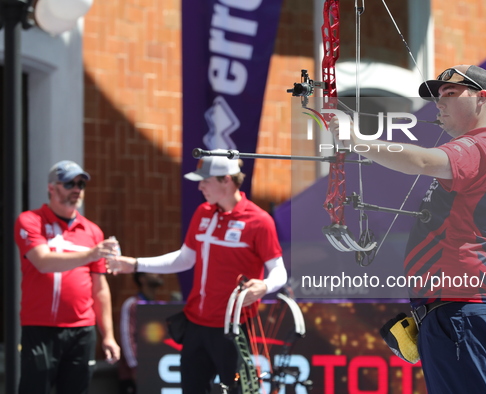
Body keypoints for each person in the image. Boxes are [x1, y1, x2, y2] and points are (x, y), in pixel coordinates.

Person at [331, 65, 486, 393]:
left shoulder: (475, 148)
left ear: (481, 98)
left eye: (451, 94)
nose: (439, 103)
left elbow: (424, 162)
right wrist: (465, 114)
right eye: (438, 96)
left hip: (457, 310)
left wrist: (356, 141)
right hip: (478, 306)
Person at [107, 152, 288, 393]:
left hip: (234, 328)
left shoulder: (259, 221)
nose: (200, 186)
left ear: (227, 180)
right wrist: (136, 264)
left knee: (238, 391)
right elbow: (185, 258)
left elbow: (279, 271)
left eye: (206, 180)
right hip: (195, 325)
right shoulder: (203, 212)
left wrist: (264, 286)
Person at [14, 160, 121, 394]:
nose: (77, 189)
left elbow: (100, 288)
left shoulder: (93, 231)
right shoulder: (30, 221)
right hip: (40, 328)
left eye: (81, 184)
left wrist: (108, 336)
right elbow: (42, 262)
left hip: (81, 330)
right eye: (69, 183)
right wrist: (91, 254)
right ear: (52, 188)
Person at [118, 272, 164, 394]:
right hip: (134, 374)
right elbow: (126, 337)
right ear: (142, 279)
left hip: (156, 372)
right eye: (153, 272)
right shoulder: (131, 304)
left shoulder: (160, 305)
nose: (159, 274)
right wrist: (135, 366)